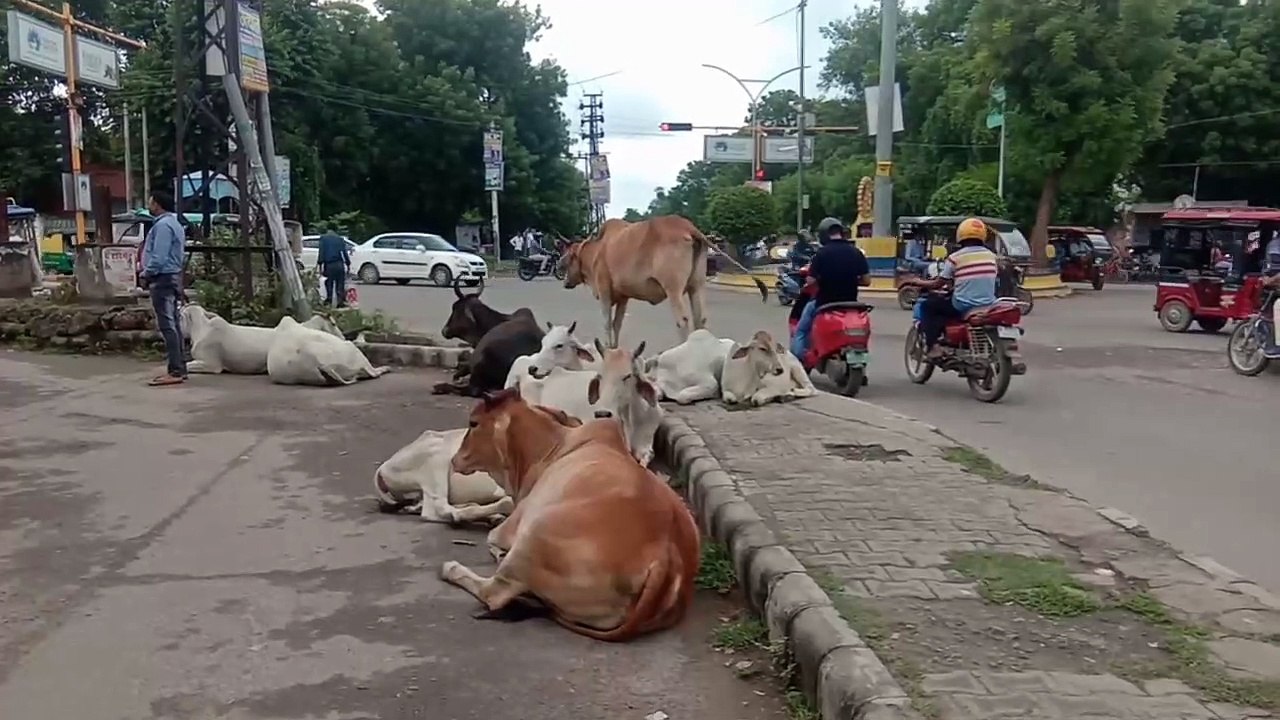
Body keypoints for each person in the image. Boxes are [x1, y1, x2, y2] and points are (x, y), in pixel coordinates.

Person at [906, 217, 1000, 360]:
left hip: (963, 304)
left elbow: (938, 284)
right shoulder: (992, 256)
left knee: (928, 306)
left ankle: (933, 347)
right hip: (988, 304)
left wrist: (918, 282)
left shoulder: (955, 258)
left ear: (960, 236)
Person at [789, 217, 871, 359]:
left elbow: (810, 280)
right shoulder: (856, 252)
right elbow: (867, 281)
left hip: (824, 303)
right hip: (851, 304)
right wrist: (848, 280)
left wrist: (824, 280)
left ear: (823, 234)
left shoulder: (821, 254)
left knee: (801, 330)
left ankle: (798, 361)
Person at [140, 191, 187, 386]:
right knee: (173, 324)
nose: (149, 204)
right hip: (172, 277)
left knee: (167, 325)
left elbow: (159, 256)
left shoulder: (163, 226)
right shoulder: (175, 224)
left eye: (151, 201)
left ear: (158, 204)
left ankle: (175, 371)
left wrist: (146, 273)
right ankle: (180, 368)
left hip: (162, 278)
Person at [317, 230, 351, 307]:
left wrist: (320, 263)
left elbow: (321, 252)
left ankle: (329, 300)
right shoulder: (339, 239)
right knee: (340, 283)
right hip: (339, 264)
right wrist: (348, 263)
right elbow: (344, 252)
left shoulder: (323, 239)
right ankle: (340, 301)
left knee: (329, 283)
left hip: (329, 264)